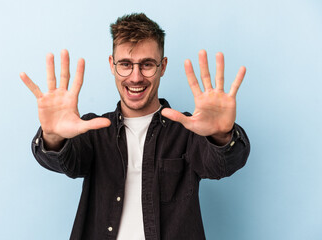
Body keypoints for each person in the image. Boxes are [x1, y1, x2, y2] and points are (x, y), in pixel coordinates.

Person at [20, 13, 250, 240]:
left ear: (163, 66)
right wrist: (53, 137)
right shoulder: (91, 130)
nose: (136, 77)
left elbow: (222, 165)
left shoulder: (189, 130)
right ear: (112, 65)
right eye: (126, 64)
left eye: (147, 64)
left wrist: (220, 135)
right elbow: (64, 163)